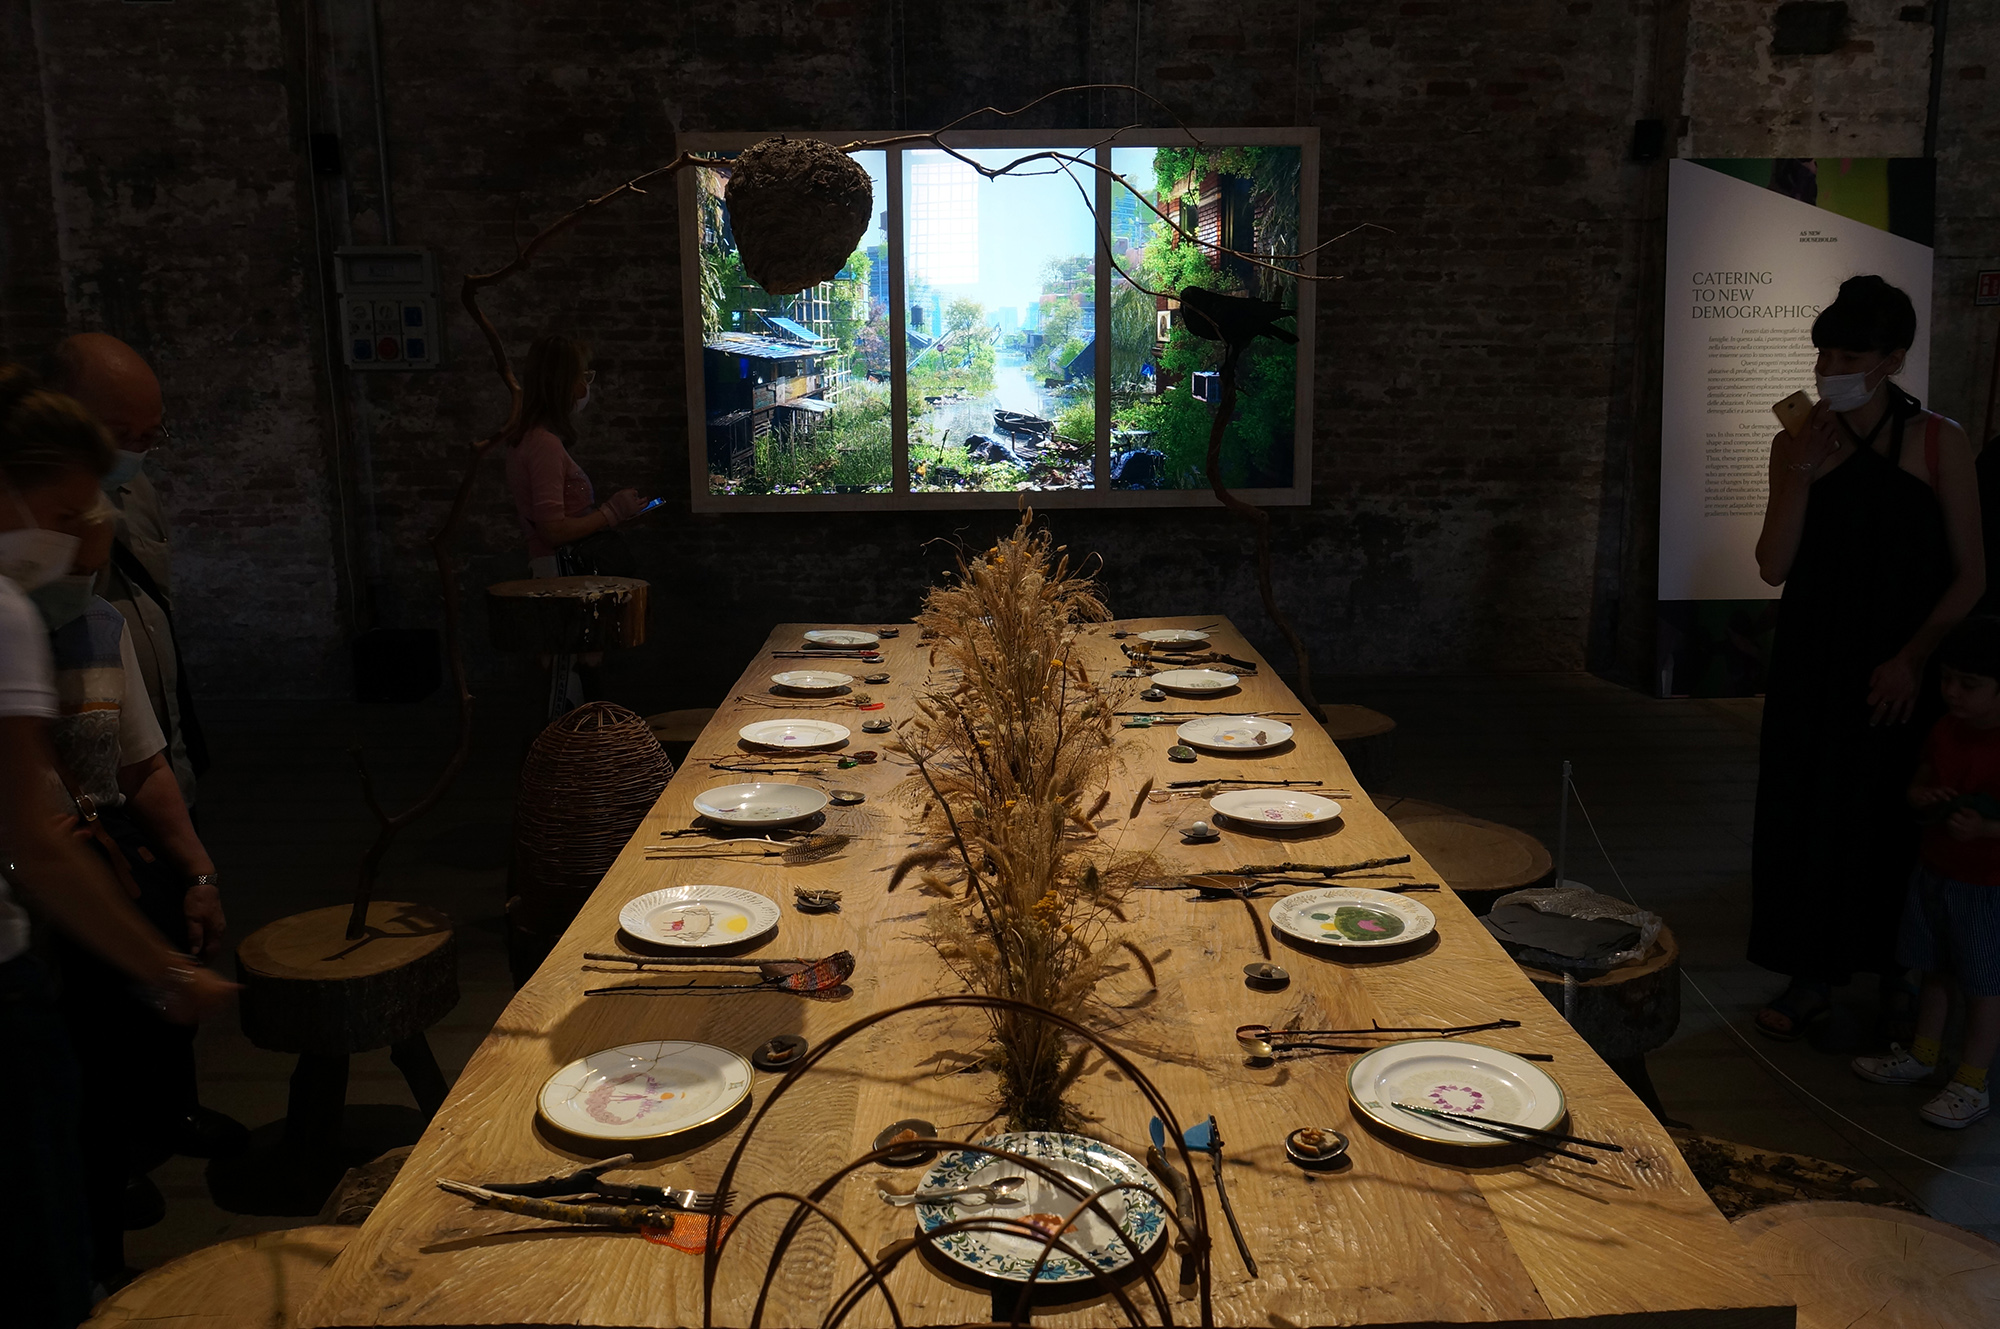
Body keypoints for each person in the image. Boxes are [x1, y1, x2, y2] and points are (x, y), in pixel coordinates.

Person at [0, 364, 236, 1323]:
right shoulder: (7, 615)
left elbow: (143, 760)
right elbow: (35, 838)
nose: (68, 546)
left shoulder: (82, 619)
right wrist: (165, 969)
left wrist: (195, 872)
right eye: (61, 516)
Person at [1749, 275, 1986, 1041]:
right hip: (1815, 656)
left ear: (1891, 360)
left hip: (1901, 662)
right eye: (1823, 355)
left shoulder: (1937, 440)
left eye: (1849, 358)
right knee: (1806, 808)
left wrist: (1913, 657)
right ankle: (1810, 969)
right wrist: (1800, 471)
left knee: (1890, 817)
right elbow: (1773, 564)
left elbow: (1971, 574)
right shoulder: (1797, 436)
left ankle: (1898, 974)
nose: (1830, 370)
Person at [1851, 615, 2000, 1128]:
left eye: (1969, 684)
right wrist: (1922, 795)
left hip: (1986, 887)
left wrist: (1986, 829)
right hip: (1935, 871)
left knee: (1984, 986)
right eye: (1947, 680)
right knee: (1933, 968)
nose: (1952, 693)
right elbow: (1921, 777)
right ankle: (1923, 1054)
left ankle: (1972, 1083)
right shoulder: (1945, 728)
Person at [48, 333, 206, 812]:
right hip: (76, 791)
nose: (135, 452)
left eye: (149, 436)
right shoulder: (30, 510)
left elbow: (154, 609)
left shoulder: (137, 491)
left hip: (157, 763)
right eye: (119, 436)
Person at [501, 333, 648, 578]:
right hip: (562, 576)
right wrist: (613, 511)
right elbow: (552, 531)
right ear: (562, 384)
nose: (585, 387)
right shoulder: (543, 444)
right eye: (583, 376)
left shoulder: (528, 439)